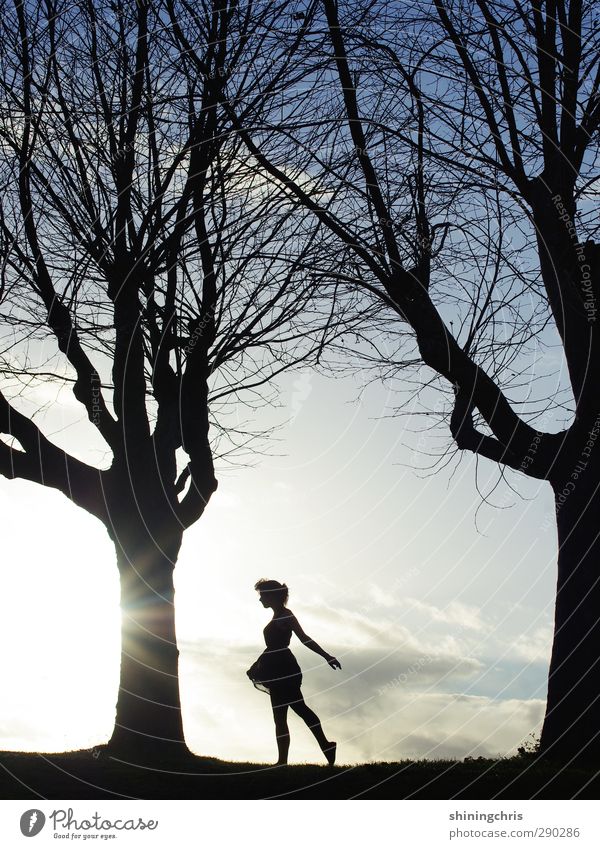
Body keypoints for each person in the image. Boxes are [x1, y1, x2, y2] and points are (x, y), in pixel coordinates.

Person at [247, 578, 342, 767]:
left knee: (298, 710)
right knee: (285, 714)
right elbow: (273, 647)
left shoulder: (286, 616)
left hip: (284, 669)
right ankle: (288, 759)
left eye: (262, 596)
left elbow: (304, 638)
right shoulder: (277, 616)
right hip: (275, 668)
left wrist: (326, 656)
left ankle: (320, 747)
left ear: (271, 595)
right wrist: (258, 664)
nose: (260, 600)